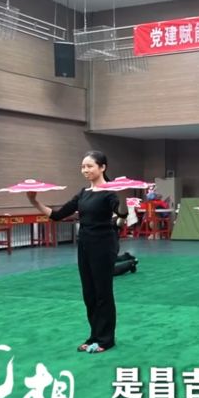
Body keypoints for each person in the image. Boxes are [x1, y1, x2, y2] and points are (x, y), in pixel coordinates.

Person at [27, 150, 127, 354]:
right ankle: (94, 336)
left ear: (102, 167)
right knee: (89, 293)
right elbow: (57, 215)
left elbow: (121, 213)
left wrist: (123, 195)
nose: (85, 170)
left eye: (89, 166)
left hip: (104, 245)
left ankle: (106, 339)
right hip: (85, 245)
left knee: (103, 293)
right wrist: (34, 201)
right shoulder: (83, 193)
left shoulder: (110, 193)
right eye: (83, 166)